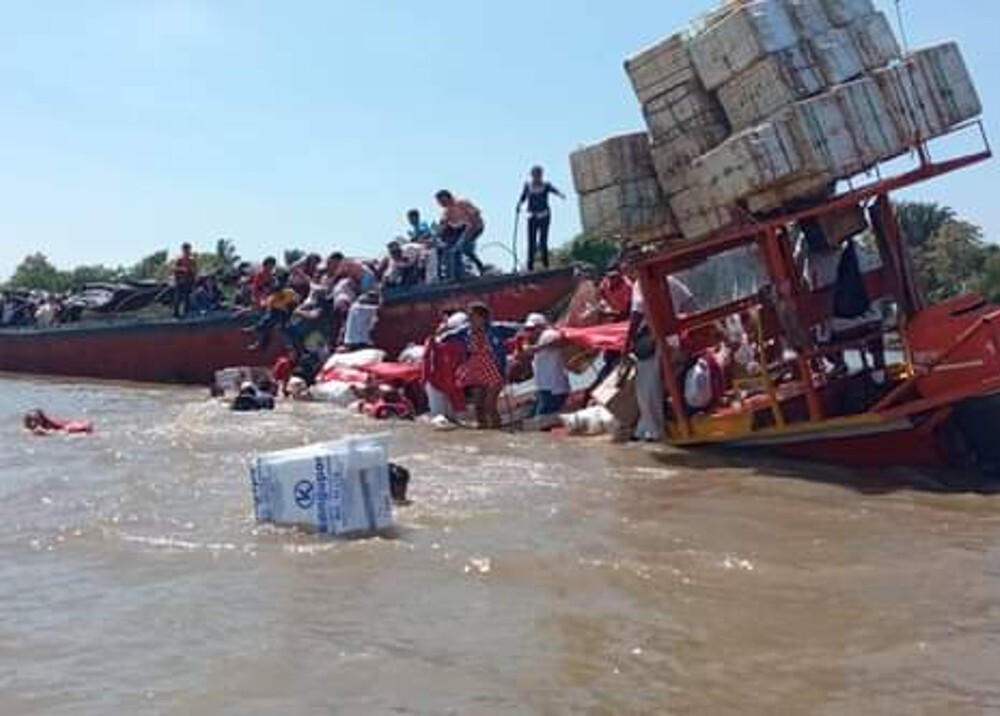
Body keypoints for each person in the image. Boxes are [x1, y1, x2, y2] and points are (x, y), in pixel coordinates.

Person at [625, 274, 698, 441]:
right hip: (674, 337)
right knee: (673, 379)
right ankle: (675, 418)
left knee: (647, 387)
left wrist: (627, 343)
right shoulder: (669, 279)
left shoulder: (640, 282)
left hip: (652, 338)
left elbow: (637, 311)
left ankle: (654, 431)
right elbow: (691, 303)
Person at [457, 303, 507, 429]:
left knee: (490, 405)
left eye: (472, 317)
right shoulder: (466, 332)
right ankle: (483, 431)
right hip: (477, 370)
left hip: (494, 369)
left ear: (482, 318)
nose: (469, 320)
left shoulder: (495, 329)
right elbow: (449, 335)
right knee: (478, 406)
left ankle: (498, 431)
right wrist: (438, 336)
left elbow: (517, 328)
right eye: (469, 317)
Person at [519, 313, 571, 416]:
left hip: (554, 389)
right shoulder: (536, 339)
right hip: (545, 388)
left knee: (542, 420)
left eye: (532, 329)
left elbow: (561, 341)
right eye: (528, 329)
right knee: (536, 417)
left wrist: (538, 347)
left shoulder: (548, 334)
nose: (529, 332)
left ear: (541, 327)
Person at [422, 311, 469, 421]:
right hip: (436, 382)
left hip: (452, 384)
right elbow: (427, 362)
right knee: (440, 418)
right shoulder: (434, 342)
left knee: (458, 414)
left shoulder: (461, 344)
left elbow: (462, 366)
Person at [517, 166, 565, 272]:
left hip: (544, 215)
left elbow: (554, 190)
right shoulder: (528, 186)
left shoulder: (546, 185)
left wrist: (561, 194)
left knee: (543, 241)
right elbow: (523, 197)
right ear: (532, 175)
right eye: (535, 175)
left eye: (539, 175)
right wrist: (519, 205)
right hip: (532, 216)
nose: (537, 177)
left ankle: (545, 264)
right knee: (531, 241)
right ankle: (530, 266)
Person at [436, 190, 486, 281]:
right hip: (467, 229)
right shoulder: (447, 212)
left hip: (476, 226)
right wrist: (438, 234)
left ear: (449, 197)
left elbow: (476, 214)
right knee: (463, 250)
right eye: (440, 203)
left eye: (443, 201)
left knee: (459, 248)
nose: (442, 204)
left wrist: (471, 229)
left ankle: (462, 274)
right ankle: (479, 269)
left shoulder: (462, 203)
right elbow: (442, 225)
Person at [247, 273, 299, 351]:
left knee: (277, 326)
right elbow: (268, 301)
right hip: (277, 310)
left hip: (284, 313)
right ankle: (259, 342)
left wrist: (290, 307)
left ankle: (257, 332)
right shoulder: (277, 290)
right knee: (268, 326)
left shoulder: (288, 291)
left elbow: (295, 300)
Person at [171, 243, 198, 319]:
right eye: (186, 250)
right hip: (179, 283)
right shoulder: (179, 259)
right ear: (183, 250)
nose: (187, 251)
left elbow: (195, 271)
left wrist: (192, 271)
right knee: (178, 298)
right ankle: (176, 314)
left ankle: (187, 313)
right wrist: (182, 269)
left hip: (188, 282)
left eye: (188, 250)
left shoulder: (192, 260)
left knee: (187, 298)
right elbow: (173, 268)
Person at [23, 409, 93, 435]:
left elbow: (57, 431)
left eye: (36, 420)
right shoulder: (28, 429)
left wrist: (46, 432)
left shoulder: (48, 425)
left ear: (42, 419)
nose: (33, 423)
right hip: (66, 424)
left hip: (69, 426)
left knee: (67, 430)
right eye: (30, 420)